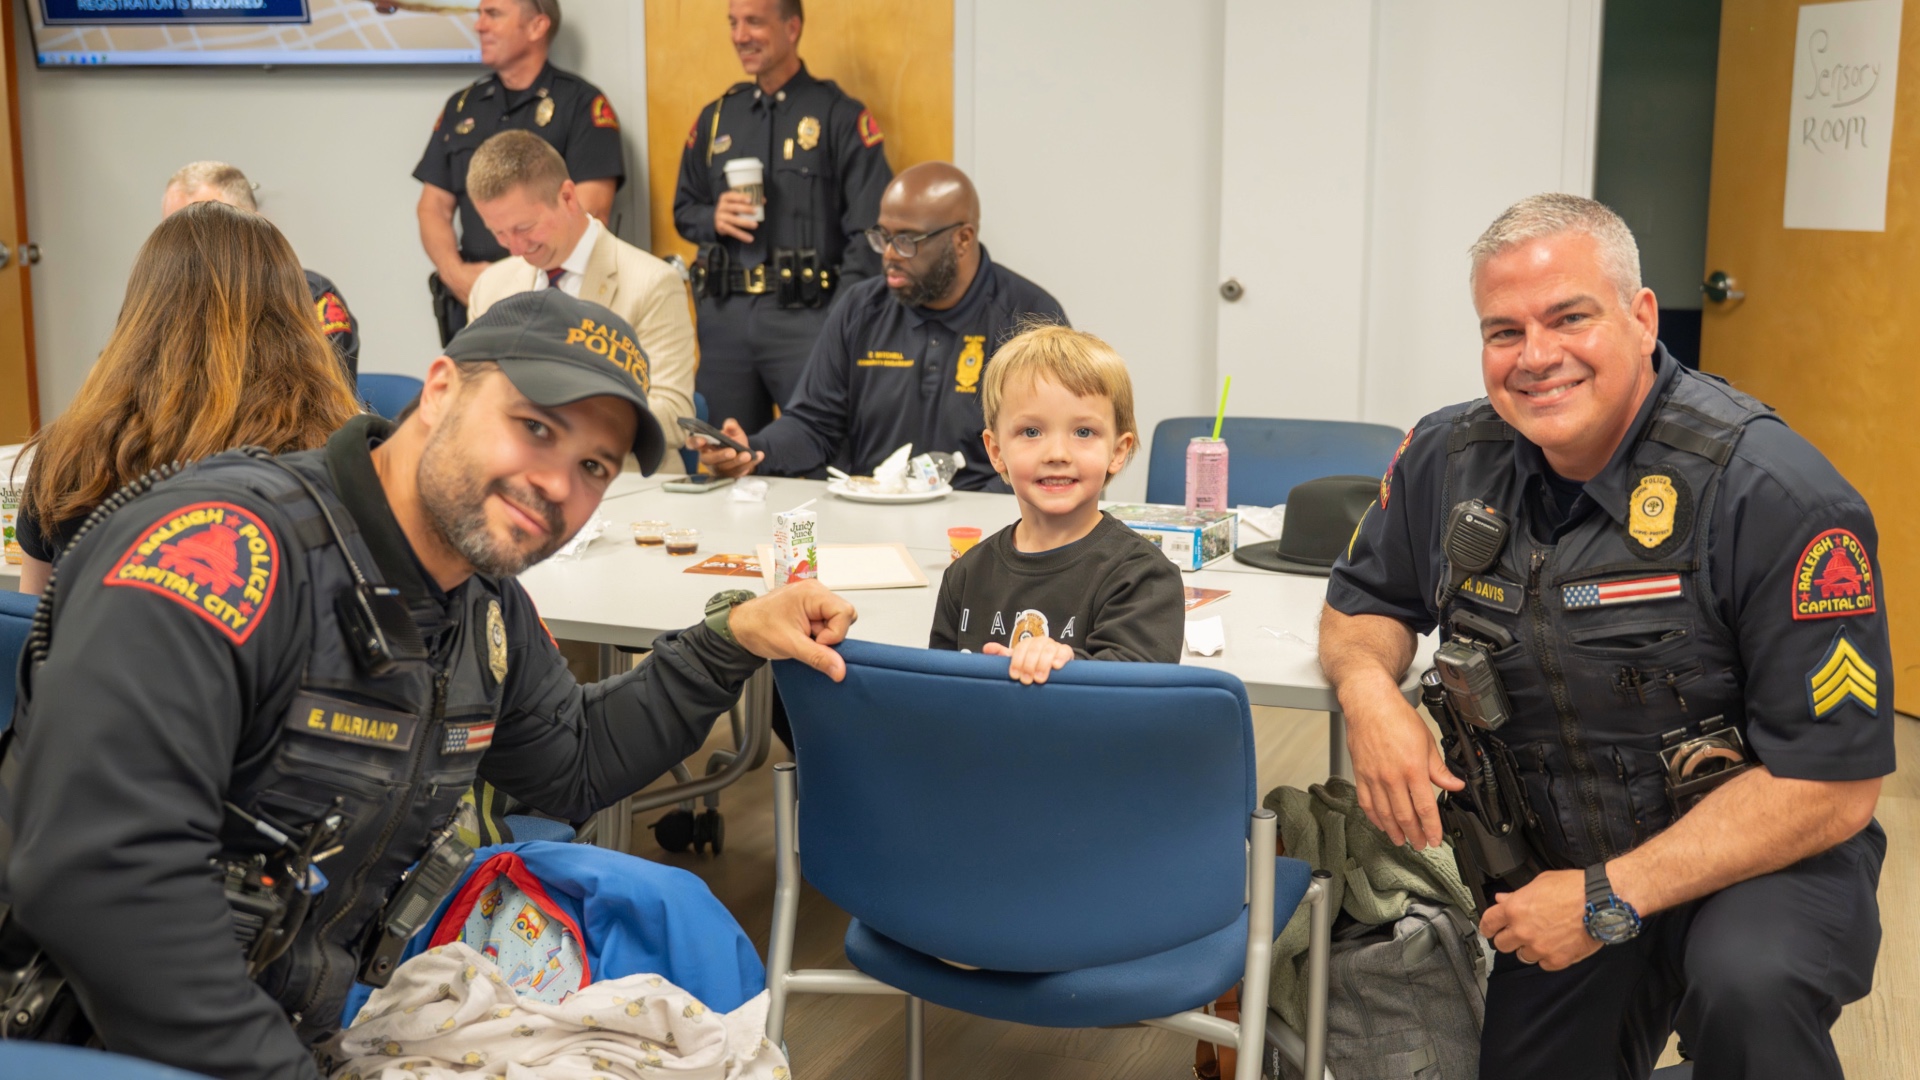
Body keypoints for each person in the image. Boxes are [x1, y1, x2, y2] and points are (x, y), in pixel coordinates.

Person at [0, 290, 856, 1080]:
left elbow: (573, 761)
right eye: (535, 426)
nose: (559, 484)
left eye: (596, 466)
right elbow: (97, 875)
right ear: (440, 389)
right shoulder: (228, 550)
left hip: (305, 1018)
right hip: (84, 1036)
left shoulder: (478, 605)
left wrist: (729, 638)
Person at [1321, 194, 1889, 1080]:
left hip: (1760, 858)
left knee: (1749, 990)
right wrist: (1369, 696)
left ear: (1641, 316)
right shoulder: (1448, 455)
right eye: (1503, 330)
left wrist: (1603, 900)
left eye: (1569, 317)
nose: (1536, 356)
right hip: (1562, 853)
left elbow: (1833, 786)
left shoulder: (1773, 493)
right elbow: (1363, 602)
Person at [9, 200, 361, 597]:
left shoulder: (70, 455)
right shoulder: (336, 456)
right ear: (293, 316)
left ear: (142, 314)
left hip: (111, 657)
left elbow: (34, 624)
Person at [691, 162, 1066, 492]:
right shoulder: (860, 308)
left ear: (962, 239)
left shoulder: (1029, 319)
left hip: (984, 525)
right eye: (882, 237)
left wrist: (981, 516)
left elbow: (1048, 449)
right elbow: (814, 424)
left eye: (905, 241)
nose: (888, 254)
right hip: (869, 511)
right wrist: (753, 451)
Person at [673, 0, 893, 434]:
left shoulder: (839, 115)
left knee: (816, 454)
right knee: (724, 457)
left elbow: (871, 232)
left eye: (754, 22)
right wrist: (712, 217)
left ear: (792, 28)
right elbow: (684, 208)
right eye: (733, 23)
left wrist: (838, 323)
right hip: (725, 320)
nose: (740, 36)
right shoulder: (717, 118)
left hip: (807, 320)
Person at [929, 325, 1182, 682]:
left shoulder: (1143, 578)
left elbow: (1138, 698)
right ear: (996, 452)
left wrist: (1064, 664)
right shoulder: (965, 574)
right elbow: (940, 692)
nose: (1058, 454)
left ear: (1118, 451)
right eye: (1031, 432)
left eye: (1083, 432)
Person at [465, 130, 696, 473]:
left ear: (568, 197)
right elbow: (470, 395)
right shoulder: (492, 285)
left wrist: (556, 421)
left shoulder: (651, 282)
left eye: (525, 227)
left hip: (622, 486)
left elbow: (675, 415)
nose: (514, 248)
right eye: (498, 232)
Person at [414, 0, 624, 341]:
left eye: (493, 14)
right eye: (480, 14)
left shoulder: (581, 105)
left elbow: (592, 209)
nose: (479, 25)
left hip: (555, 300)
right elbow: (432, 207)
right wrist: (455, 274)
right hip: (472, 300)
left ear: (537, 26)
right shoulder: (462, 106)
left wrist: (515, 279)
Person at [163, 160, 361, 378]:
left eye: (204, 232)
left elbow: (324, 401)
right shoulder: (158, 302)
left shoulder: (310, 300)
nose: (182, 248)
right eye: (170, 233)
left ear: (253, 227)